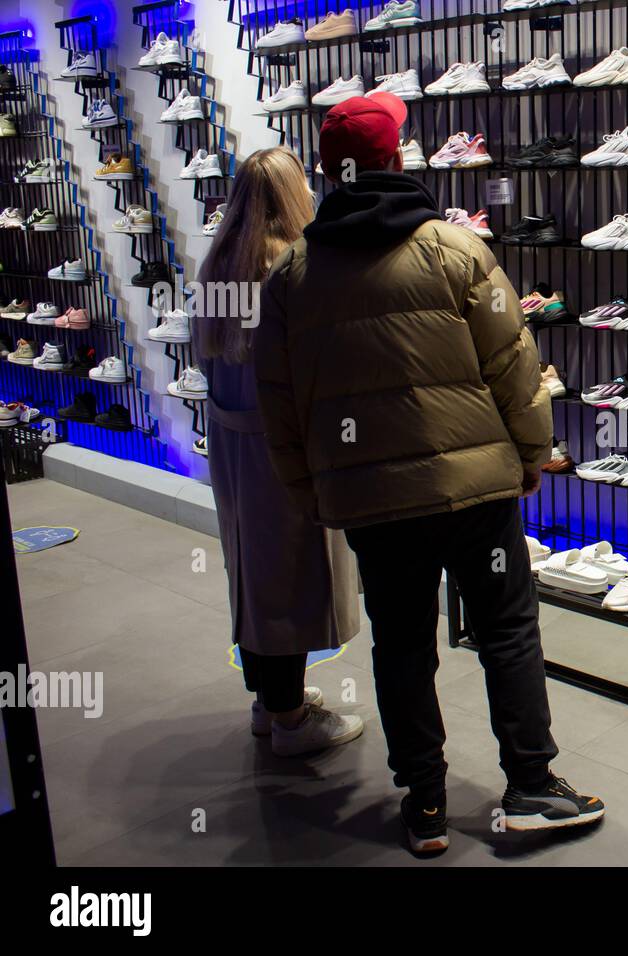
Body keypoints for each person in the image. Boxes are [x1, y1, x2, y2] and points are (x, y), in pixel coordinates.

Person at [253, 92, 604, 853]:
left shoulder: (294, 278)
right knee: (507, 630)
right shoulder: (455, 249)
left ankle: (426, 803)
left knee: (402, 644)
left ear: (328, 170)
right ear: (396, 160)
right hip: (477, 488)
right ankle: (533, 786)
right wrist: (531, 451)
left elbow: (277, 405)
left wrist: (309, 491)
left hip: (374, 501)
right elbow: (515, 365)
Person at [193, 146, 363, 756]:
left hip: (230, 443)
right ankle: (289, 717)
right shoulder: (292, 265)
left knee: (253, 573)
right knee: (292, 575)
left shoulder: (217, 263)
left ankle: (269, 702)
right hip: (282, 443)